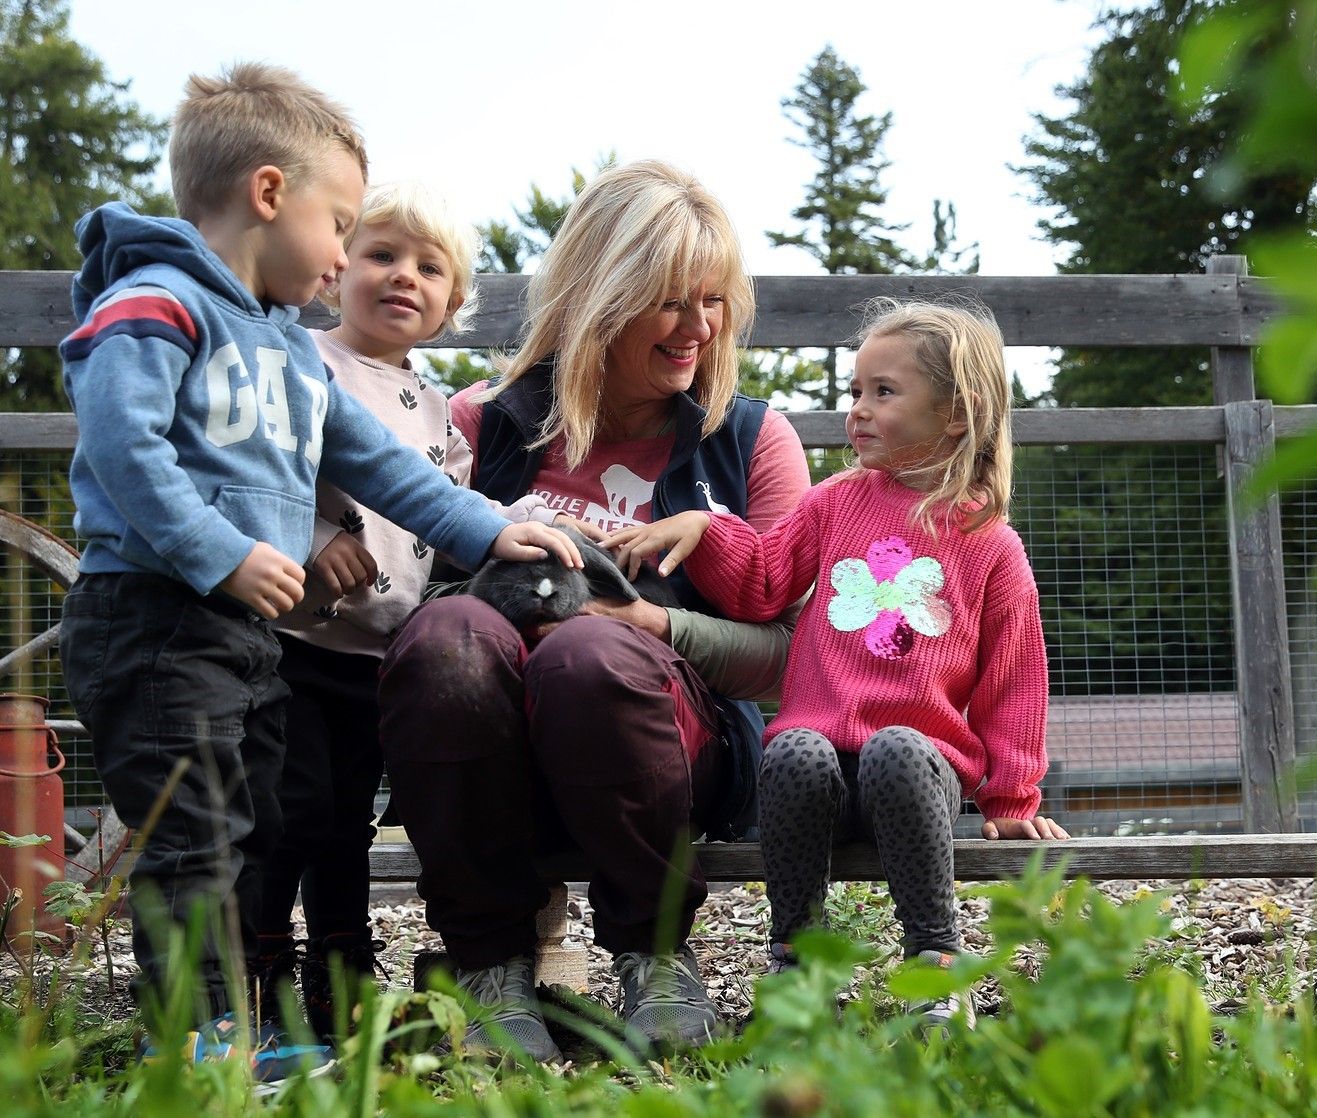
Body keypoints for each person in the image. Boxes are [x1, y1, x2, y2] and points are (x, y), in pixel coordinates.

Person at [56, 63, 579, 1088]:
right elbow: (123, 445)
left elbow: (380, 462)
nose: (343, 253)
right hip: (155, 616)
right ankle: (191, 1047)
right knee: (192, 836)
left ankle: (232, 1030)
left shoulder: (288, 350)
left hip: (238, 633)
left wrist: (486, 531)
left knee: (251, 826)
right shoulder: (152, 304)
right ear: (267, 195)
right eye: (340, 222)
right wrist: (219, 549)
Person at [377, 160, 812, 1060]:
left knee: (590, 660)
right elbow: (401, 594)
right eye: (668, 301)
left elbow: (791, 652)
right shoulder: (477, 422)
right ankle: (489, 965)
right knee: (450, 642)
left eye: (714, 300)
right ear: (597, 297)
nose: (698, 328)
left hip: (665, 746)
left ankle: (654, 953)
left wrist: (661, 628)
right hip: (491, 744)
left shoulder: (750, 440)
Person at [608, 297, 1068, 1032]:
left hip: (917, 770)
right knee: (788, 747)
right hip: (816, 766)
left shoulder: (990, 543)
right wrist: (707, 524)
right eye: (855, 391)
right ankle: (798, 966)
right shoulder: (835, 503)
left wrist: (1013, 799)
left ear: (957, 413)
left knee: (897, 747)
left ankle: (934, 967)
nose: (856, 409)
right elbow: (762, 583)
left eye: (883, 392)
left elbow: (1014, 679)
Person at [251, 181, 512, 1037]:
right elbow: (261, 470)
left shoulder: (441, 412)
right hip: (292, 633)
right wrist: (314, 534)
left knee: (348, 816)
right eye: (382, 255)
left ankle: (341, 963)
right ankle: (258, 960)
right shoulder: (301, 361)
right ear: (336, 273)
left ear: (451, 306)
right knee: (289, 805)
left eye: (429, 269)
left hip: (377, 654)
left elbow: (448, 515)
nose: (404, 277)